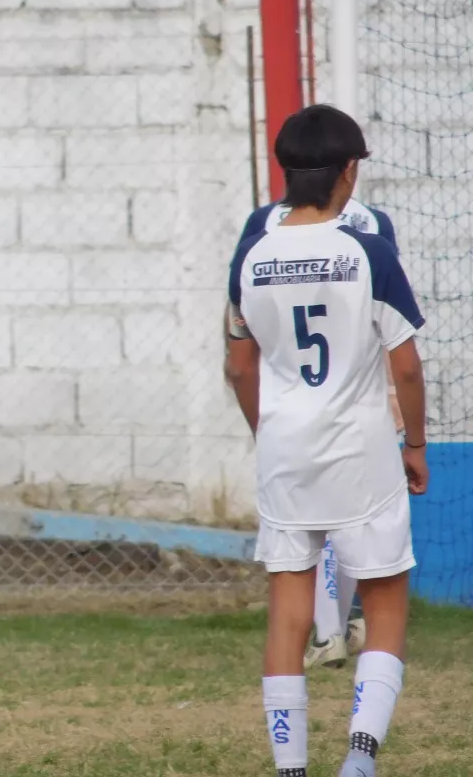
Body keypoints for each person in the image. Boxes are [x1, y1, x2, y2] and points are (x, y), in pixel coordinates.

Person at [224, 105, 427, 777]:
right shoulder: (369, 253)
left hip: (286, 451)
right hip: (361, 450)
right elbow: (404, 362)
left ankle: (290, 769)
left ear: (286, 172)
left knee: (289, 611)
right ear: (349, 171)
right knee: (386, 602)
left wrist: (268, 432)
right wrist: (416, 445)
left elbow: (237, 364)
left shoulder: (252, 256)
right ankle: (360, 759)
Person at [234, 188, 407, 670]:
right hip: (355, 410)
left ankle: (329, 633)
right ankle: (342, 637)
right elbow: (391, 327)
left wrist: (260, 423)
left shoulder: (262, 230)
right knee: (353, 528)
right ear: (348, 166)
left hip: (290, 415)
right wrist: (402, 412)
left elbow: (240, 346)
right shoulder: (371, 226)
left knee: (307, 538)